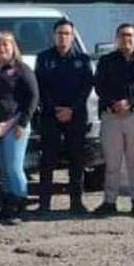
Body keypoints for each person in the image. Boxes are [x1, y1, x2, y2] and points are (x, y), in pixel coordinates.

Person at [92, 23, 134, 219]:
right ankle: (109, 202)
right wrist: (114, 104)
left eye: (130, 35)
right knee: (112, 162)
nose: (126, 39)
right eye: (122, 35)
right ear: (116, 38)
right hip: (111, 116)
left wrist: (131, 104)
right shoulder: (106, 61)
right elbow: (99, 85)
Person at [34, 18, 93, 216]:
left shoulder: (83, 59)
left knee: (76, 159)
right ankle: (44, 204)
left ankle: (76, 202)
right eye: (60, 33)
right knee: (48, 160)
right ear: (54, 36)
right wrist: (55, 109)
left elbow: (87, 87)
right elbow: (40, 87)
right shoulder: (43, 58)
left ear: (73, 36)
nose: (63, 37)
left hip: (76, 116)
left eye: (67, 33)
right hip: (51, 116)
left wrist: (72, 110)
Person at [0, 31, 39, 225]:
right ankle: (7, 207)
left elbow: (33, 98)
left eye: (6, 45)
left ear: (13, 47)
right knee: (4, 169)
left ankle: (21, 208)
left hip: (15, 127)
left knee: (14, 168)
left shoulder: (23, 69)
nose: (2, 48)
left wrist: (21, 123)